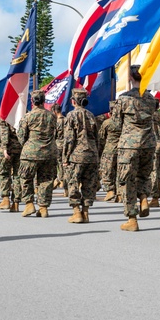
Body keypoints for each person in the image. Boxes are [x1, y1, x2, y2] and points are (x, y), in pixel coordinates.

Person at [115, 65, 158, 232]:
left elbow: (117, 124)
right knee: (143, 175)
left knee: (127, 181)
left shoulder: (124, 99)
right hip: (148, 143)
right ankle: (144, 197)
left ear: (131, 78)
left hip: (129, 145)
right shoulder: (151, 99)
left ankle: (132, 218)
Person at [62, 88, 100, 223]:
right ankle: (86, 212)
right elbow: (97, 137)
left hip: (76, 155)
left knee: (73, 183)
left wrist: (65, 157)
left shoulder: (71, 115)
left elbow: (69, 139)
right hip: (92, 155)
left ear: (73, 101)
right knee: (89, 184)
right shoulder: (91, 115)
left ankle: (77, 212)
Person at [17, 90, 57, 217]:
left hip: (31, 153)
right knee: (46, 180)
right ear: (44, 101)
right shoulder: (52, 116)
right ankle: (43, 207)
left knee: (25, 178)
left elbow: (21, 136)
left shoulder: (28, 117)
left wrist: (28, 145)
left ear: (32, 101)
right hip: (49, 152)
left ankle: (29, 204)